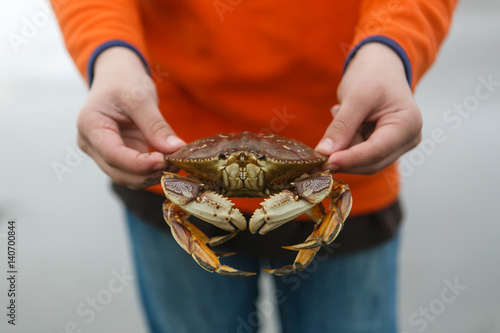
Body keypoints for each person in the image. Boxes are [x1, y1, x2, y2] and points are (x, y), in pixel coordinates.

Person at [51, 1, 457, 332]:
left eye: (255, 163)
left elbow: (334, 191)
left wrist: (391, 47)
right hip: (163, 140)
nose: (243, 168)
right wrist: (109, 54)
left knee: (335, 199)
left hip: (348, 147)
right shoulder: (178, 174)